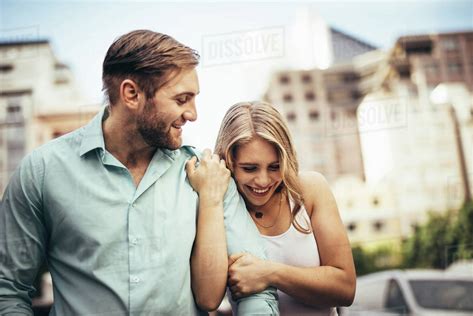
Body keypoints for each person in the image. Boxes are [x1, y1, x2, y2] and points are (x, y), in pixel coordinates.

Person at [0, 30, 278, 315]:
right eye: (182, 99)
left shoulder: (209, 176)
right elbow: (7, 290)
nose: (193, 114)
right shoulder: (42, 171)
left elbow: (256, 288)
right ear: (131, 94)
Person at [188, 101, 356, 315]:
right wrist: (210, 200)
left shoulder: (311, 190)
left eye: (275, 167)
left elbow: (345, 289)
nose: (263, 180)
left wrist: (269, 273)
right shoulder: (219, 210)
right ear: (229, 162)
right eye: (250, 168)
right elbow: (208, 298)